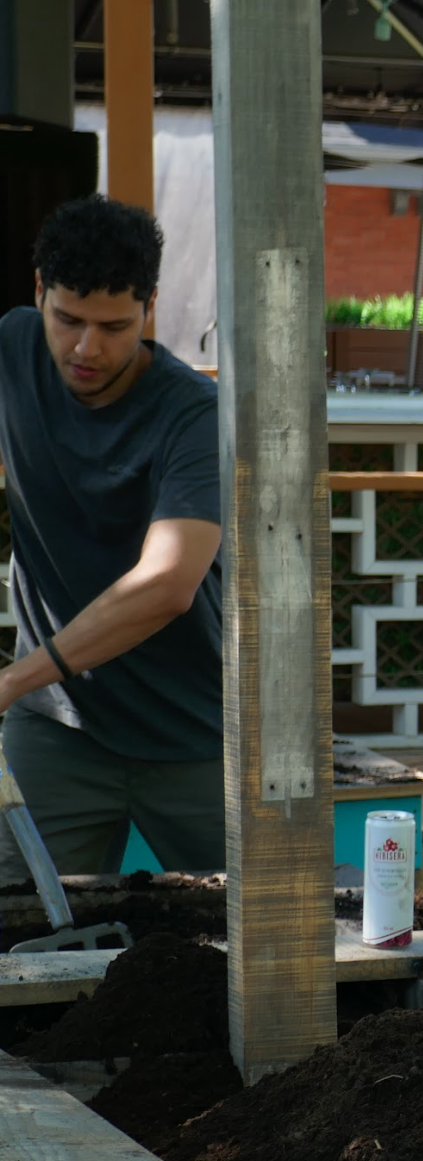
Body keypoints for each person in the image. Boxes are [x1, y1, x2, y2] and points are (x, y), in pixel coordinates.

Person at [0, 196, 223, 877]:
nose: (86, 348)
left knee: (270, 942)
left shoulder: (195, 417)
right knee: (21, 943)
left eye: (114, 326)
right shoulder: (11, 348)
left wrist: (10, 681)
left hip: (195, 731)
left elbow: (166, 585)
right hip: (54, 730)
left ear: (150, 307)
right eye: (68, 319)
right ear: (39, 291)